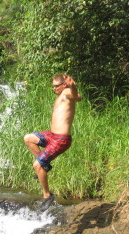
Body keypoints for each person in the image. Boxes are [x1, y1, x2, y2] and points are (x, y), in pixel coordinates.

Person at [23, 74, 81, 211]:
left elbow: (77, 97)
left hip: (61, 139)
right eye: (53, 86)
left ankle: (47, 195)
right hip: (52, 136)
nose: (53, 89)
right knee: (29, 138)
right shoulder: (60, 95)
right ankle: (46, 166)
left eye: (55, 86)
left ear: (63, 85)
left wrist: (73, 86)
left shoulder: (67, 93)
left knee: (37, 165)